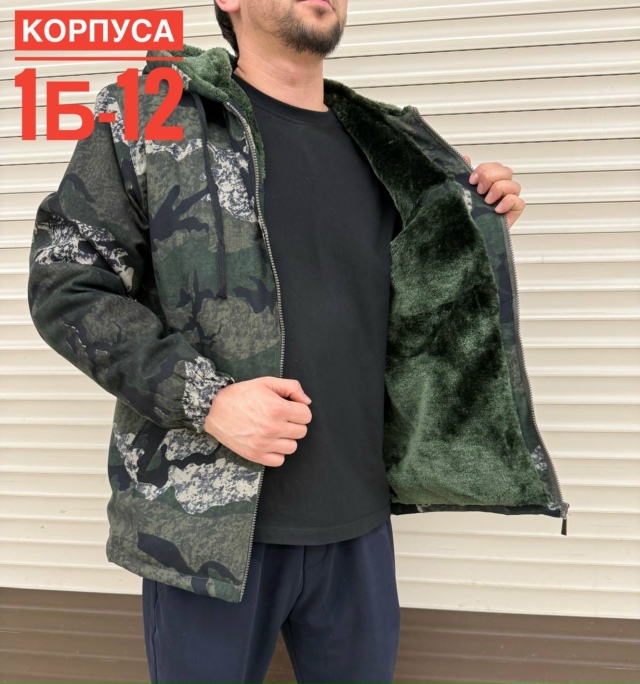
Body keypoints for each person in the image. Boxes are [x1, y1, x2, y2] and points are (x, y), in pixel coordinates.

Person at [28, 1, 567, 683]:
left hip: (358, 529)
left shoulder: (391, 147)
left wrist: (471, 230)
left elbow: (412, 319)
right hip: (204, 533)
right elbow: (68, 285)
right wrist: (208, 400)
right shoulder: (150, 117)